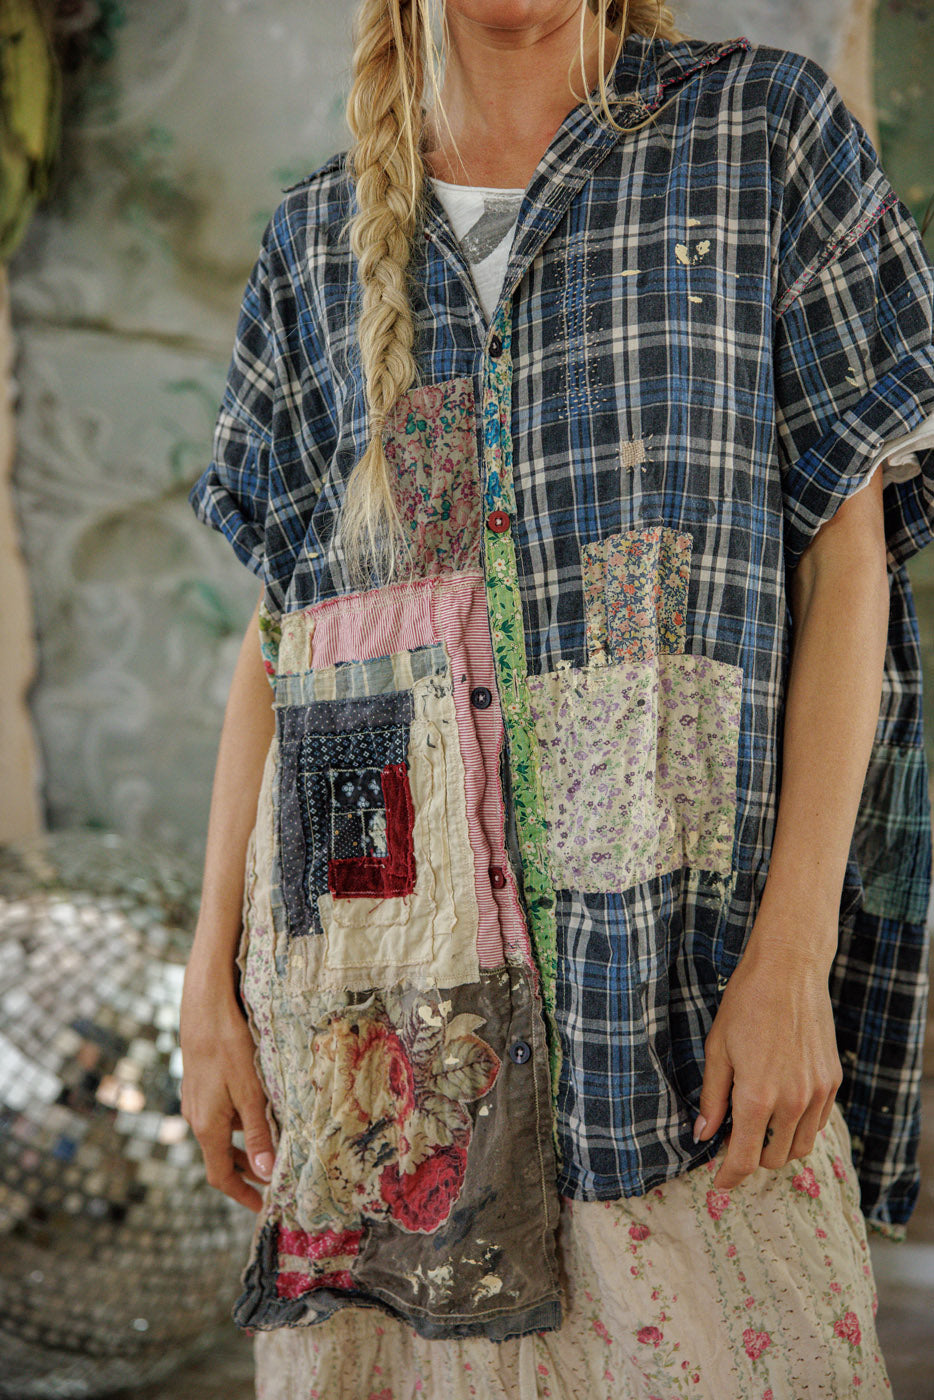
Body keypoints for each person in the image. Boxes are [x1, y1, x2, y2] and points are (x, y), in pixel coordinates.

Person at [179, 1, 934, 1395]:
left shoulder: (755, 138)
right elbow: (284, 642)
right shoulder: (312, 241)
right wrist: (207, 989)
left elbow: (851, 561)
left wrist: (788, 956)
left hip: (672, 991)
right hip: (381, 1051)